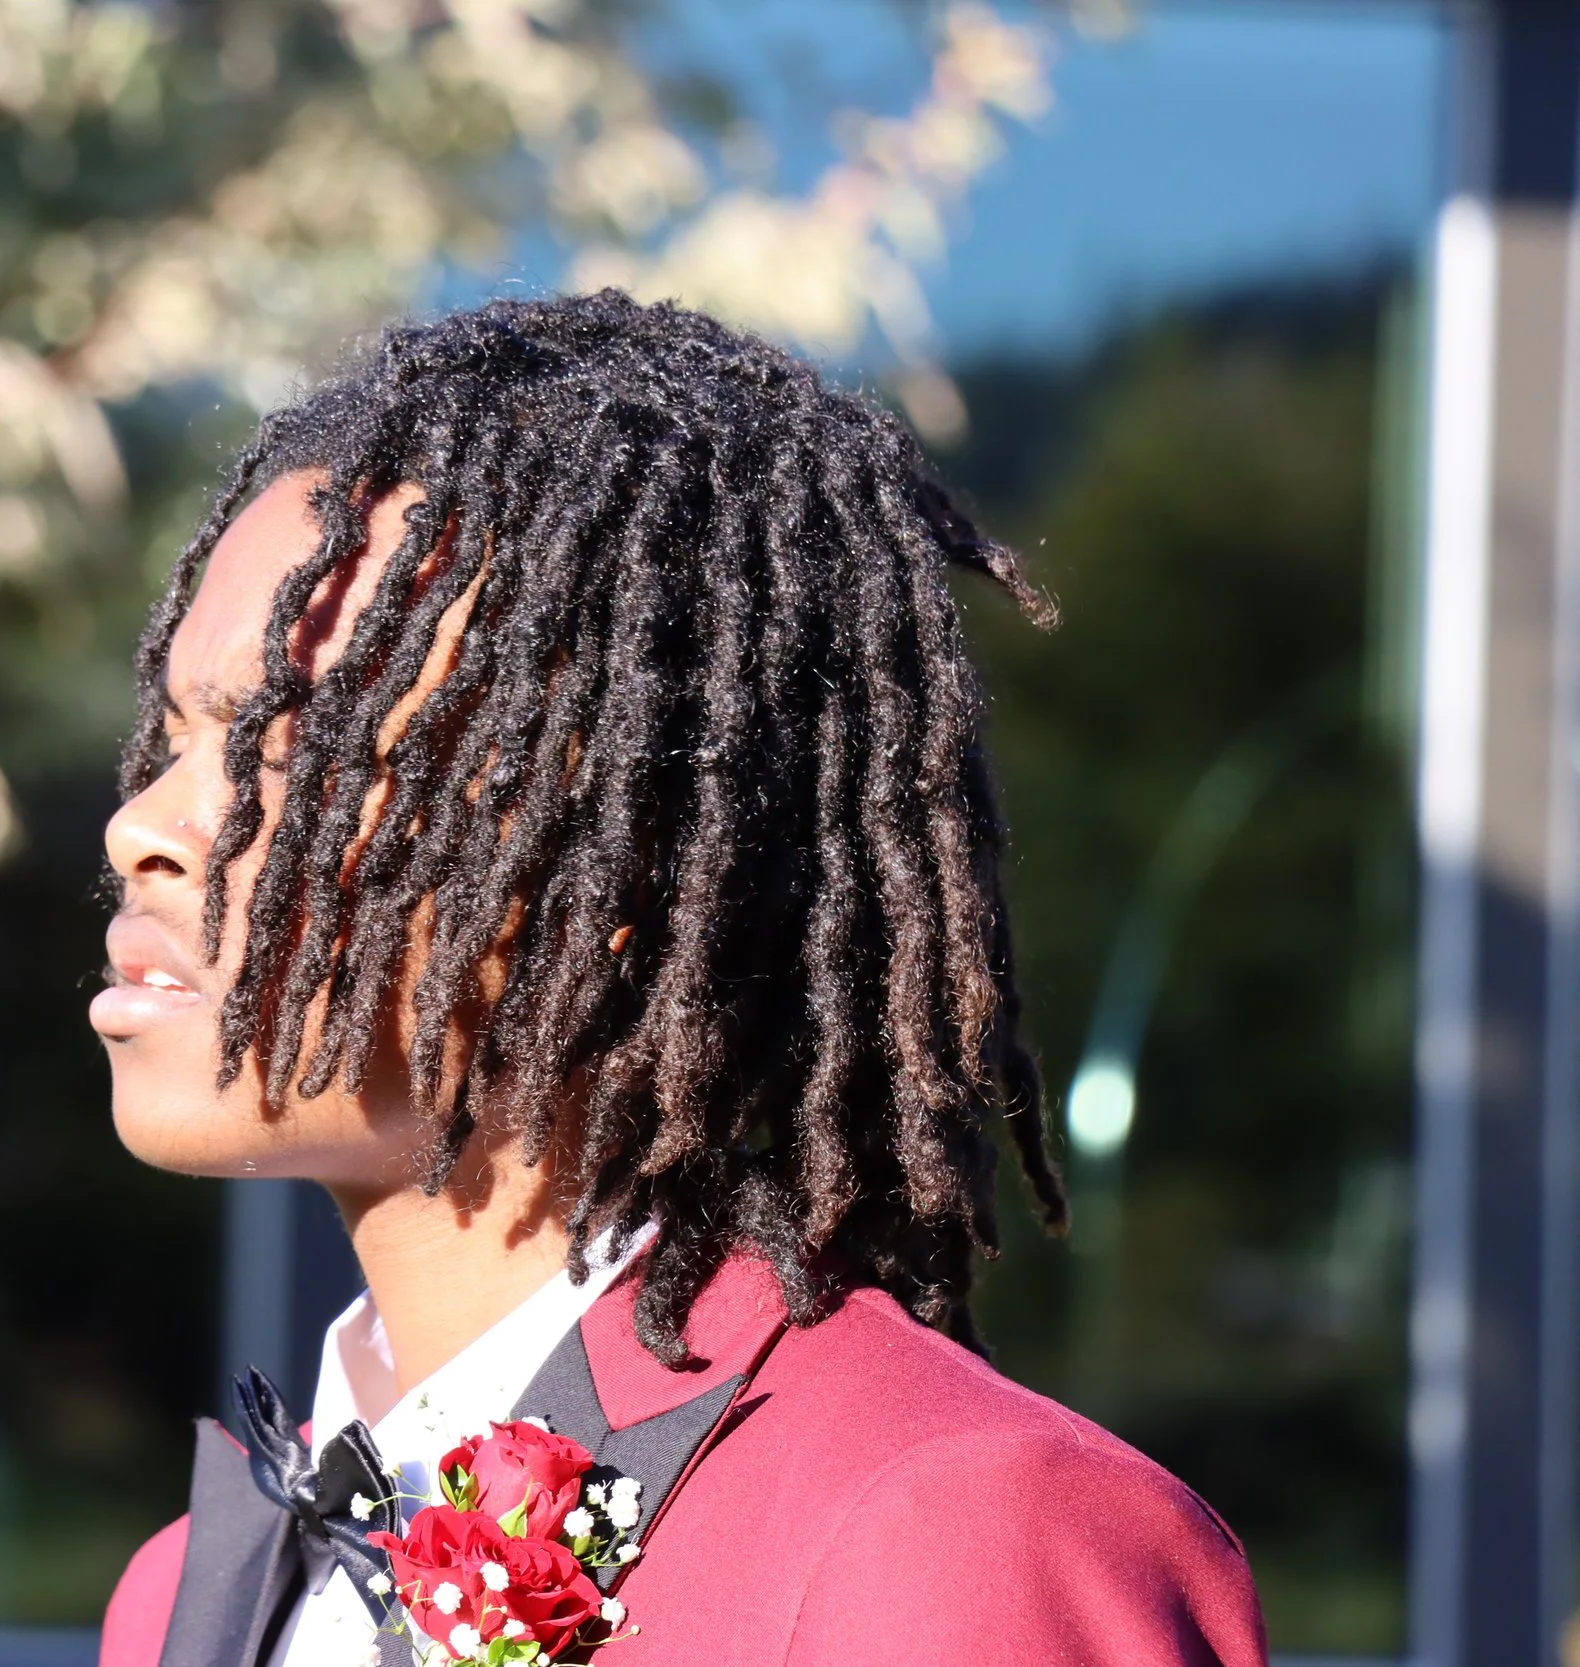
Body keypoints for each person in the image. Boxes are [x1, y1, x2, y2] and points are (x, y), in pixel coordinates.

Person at [89, 291, 1266, 1667]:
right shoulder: (186, 1591)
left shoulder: (957, 1534)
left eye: (294, 751)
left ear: (618, 861)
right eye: (173, 738)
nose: (143, 827)